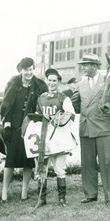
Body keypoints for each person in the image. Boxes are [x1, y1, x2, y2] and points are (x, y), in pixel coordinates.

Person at [71, 53, 110, 206]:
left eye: (85, 64)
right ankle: (90, 194)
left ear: (94, 66)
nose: (83, 67)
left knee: (106, 163)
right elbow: (75, 105)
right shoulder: (80, 85)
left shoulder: (107, 80)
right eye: (82, 65)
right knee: (87, 163)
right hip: (85, 128)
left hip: (103, 127)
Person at [0, 57, 47, 202]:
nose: (29, 72)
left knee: (28, 159)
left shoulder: (39, 84)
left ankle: (24, 191)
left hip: (31, 126)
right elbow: (6, 106)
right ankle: (4, 191)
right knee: (11, 159)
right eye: (26, 70)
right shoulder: (13, 82)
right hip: (14, 126)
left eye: (32, 69)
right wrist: (7, 125)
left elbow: (44, 103)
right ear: (21, 69)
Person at [32, 68, 76, 207]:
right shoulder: (42, 97)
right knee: (42, 168)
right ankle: (42, 198)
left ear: (58, 82)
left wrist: (58, 117)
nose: (51, 83)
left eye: (54, 81)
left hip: (59, 137)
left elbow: (70, 115)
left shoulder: (64, 98)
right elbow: (37, 116)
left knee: (59, 168)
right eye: (49, 80)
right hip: (45, 136)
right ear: (46, 81)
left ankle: (62, 198)